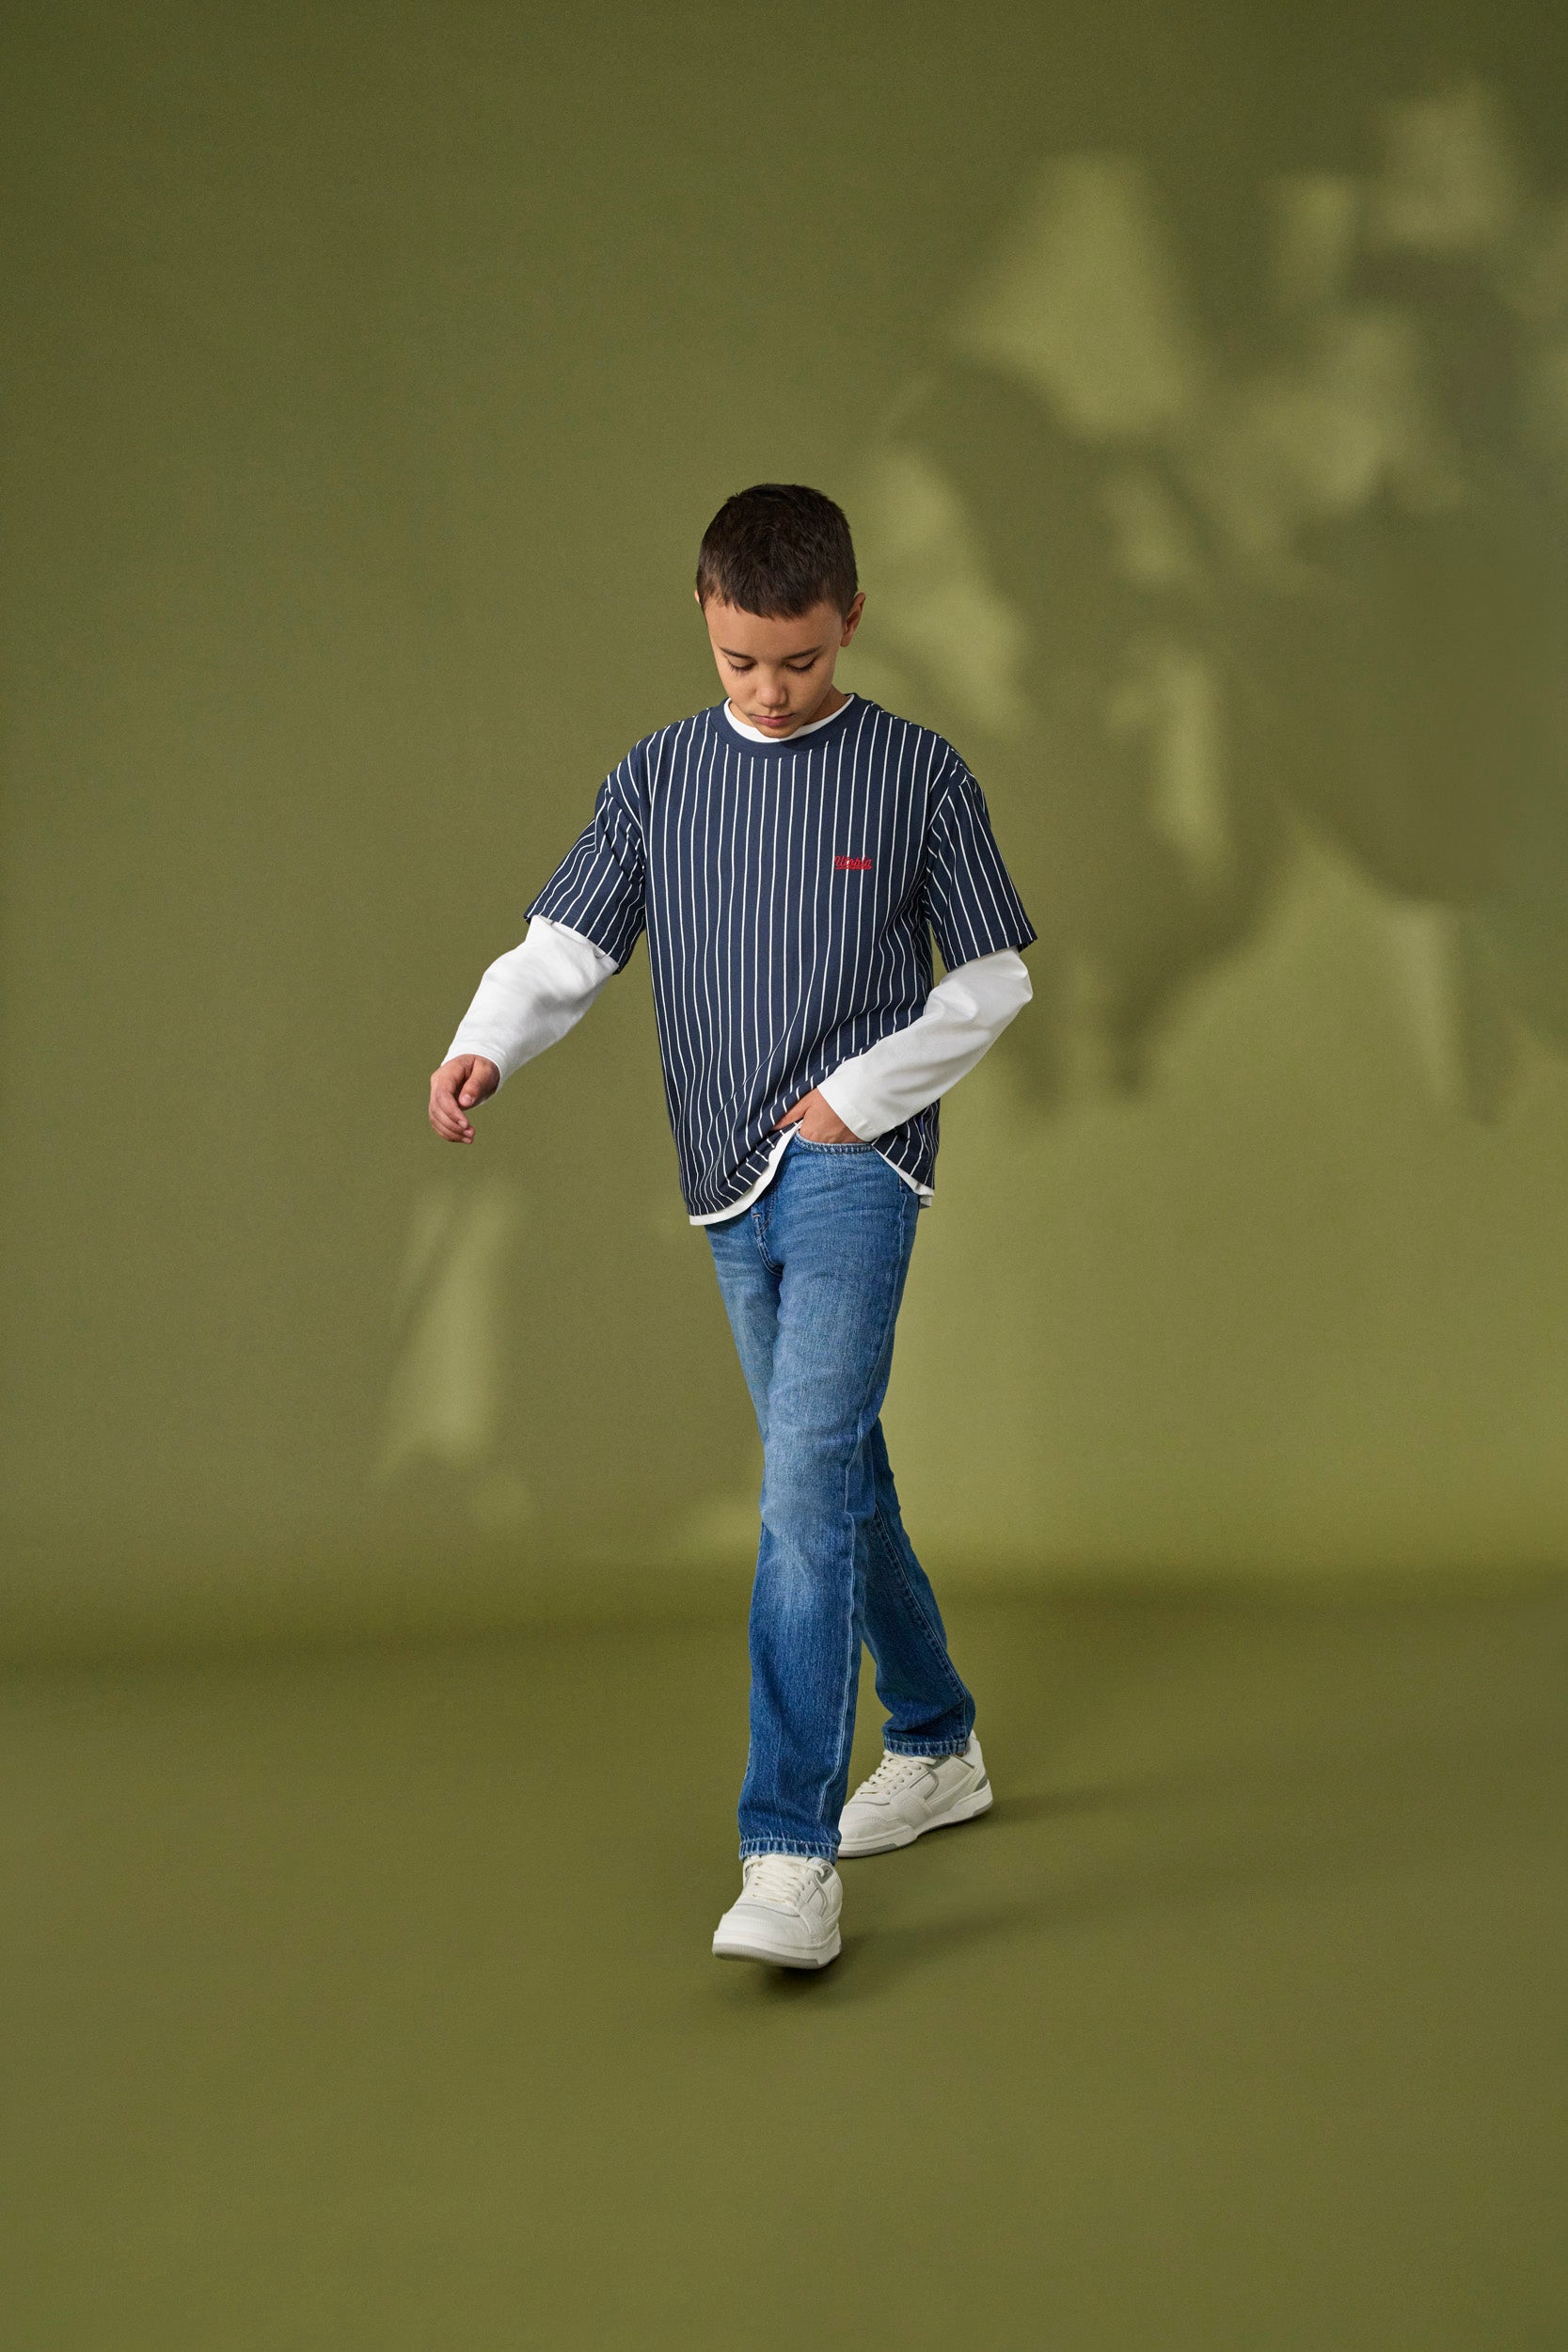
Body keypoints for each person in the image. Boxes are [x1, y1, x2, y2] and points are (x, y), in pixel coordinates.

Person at [429, 484, 1037, 1969]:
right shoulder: (657, 778)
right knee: (839, 1477)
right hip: (718, 1175)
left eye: (802, 660)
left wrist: (858, 1100)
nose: (770, 688)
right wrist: (486, 1042)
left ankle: (787, 1855)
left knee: (800, 1490)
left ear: (853, 621)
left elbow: (995, 979)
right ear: (704, 617)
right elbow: (567, 944)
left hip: (856, 1164)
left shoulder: (919, 774)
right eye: (741, 660)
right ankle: (939, 1741)